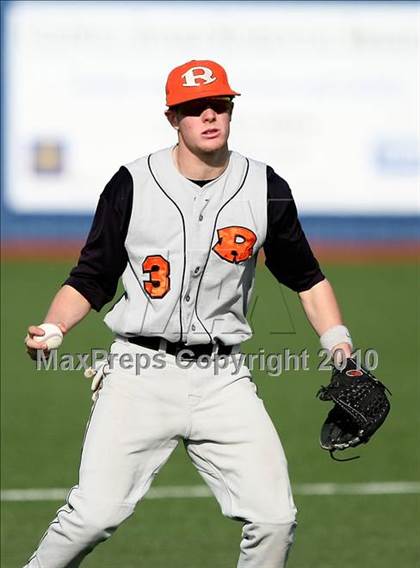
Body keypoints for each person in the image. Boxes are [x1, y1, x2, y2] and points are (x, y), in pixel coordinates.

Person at [24, 59, 352, 568]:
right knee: (93, 515)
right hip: (139, 374)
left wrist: (340, 344)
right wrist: (53, 326)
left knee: (273, 519)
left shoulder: (265, 186)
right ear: (172, 118)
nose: (208, 115)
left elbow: (306, 277)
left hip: (224, 379)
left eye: (219, 104)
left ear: (231, 109)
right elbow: (91, 276)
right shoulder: (132, 183)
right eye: (193, 108)